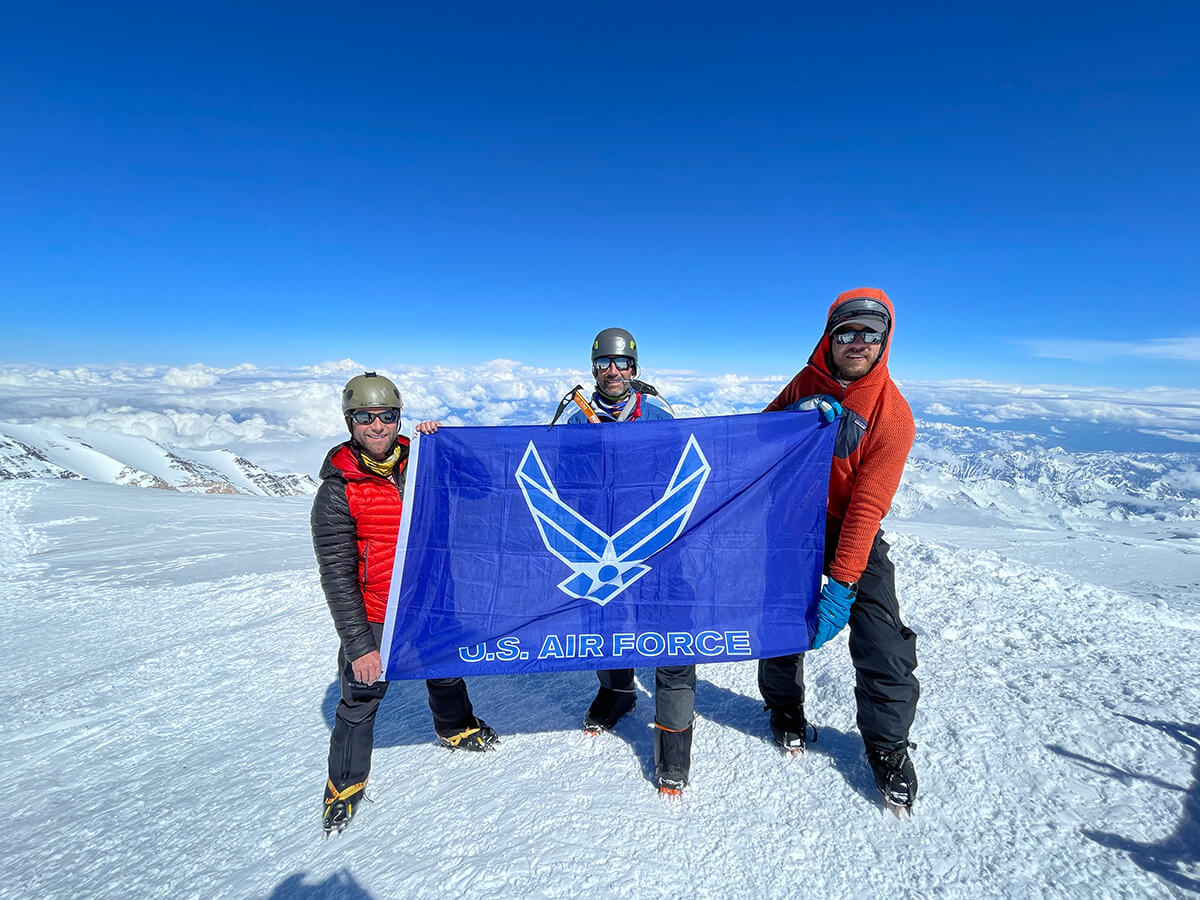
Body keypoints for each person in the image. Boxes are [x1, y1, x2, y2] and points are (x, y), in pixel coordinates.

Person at [312, 371, 498, 835]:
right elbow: (337, 577)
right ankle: (345, 784)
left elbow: (485, 485)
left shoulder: (423, 461)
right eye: (365, 417)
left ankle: (454, 726)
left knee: (445, 668)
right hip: (376, 611)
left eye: (387, 416)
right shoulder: (338, 491)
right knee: (360, 695)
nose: (377, 427)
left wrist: (447, 443)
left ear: (399, 418)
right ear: (349, 421)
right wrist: (359, 646)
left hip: (432, 599)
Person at [759, 289, 920, 813]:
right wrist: (793, 418)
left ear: (885, 341)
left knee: (883, 642)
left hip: (851, 528)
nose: (857, 342)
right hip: (795, 522)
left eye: (869, 333)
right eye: (846, 331)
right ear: (829, 336)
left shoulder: (892, 415)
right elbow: (758, 432)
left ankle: (887, 747)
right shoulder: (804, 382)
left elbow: (867, 506)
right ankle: (784, 711)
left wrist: (844, 584)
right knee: (783, 623)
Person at [560, 328, 695, 797]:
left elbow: (686, 470)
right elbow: (558, 476)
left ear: (635, 370)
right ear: (593, 368)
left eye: (622, 364)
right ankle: (617, 690)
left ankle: (674, 742)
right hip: (600, 543)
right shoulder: (576, 419)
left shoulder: (656, 413)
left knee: (671, 630)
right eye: (603, 364)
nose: (613, 372)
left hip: (657, 542)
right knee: (603, 619)